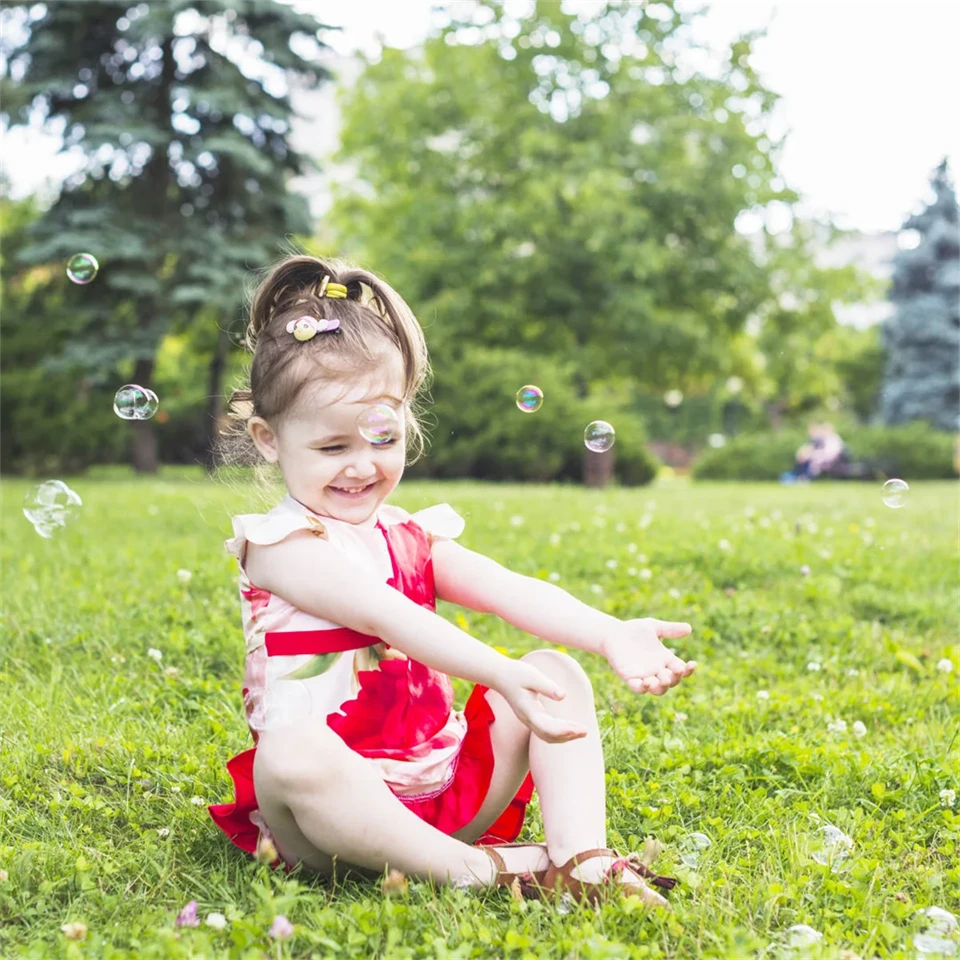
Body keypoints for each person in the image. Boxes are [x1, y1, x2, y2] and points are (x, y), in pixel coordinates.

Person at [208, 255, 697, 909]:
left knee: (559, 672)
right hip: (334, 823)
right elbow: (386, 614)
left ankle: (581, 859)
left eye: (382, 437)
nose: (362, 466)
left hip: (444, 792)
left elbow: (512, 588)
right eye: (331, 448)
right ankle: (482, 871)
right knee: (289, 753)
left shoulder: (412, 535)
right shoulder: (280, 548)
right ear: (269, 440)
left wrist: (608, 635)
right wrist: (497, 670)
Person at [780, 422, 846, 484]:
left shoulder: (834, 440)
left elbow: (831, 453)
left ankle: (804, 477)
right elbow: (811, 448)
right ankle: (800, 476)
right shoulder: (821, 440)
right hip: (822, 458)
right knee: (805, 458)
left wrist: (813, 455)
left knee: (811, 461)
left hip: (830, 460)